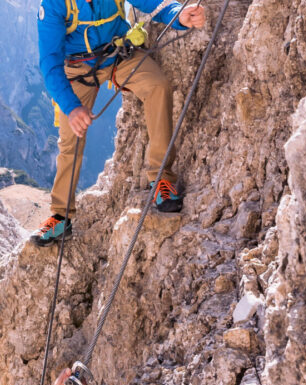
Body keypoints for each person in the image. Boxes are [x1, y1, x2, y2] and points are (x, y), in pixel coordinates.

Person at [30, 0, 206, 247]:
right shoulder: (54, 4)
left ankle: (162, 179)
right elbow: (49, 61)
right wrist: (71, 107)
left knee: (158, 86)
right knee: (71, 137)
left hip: (119, 55)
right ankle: (61, 215)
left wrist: (179, 15)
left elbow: (155, 4)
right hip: (77, 68)